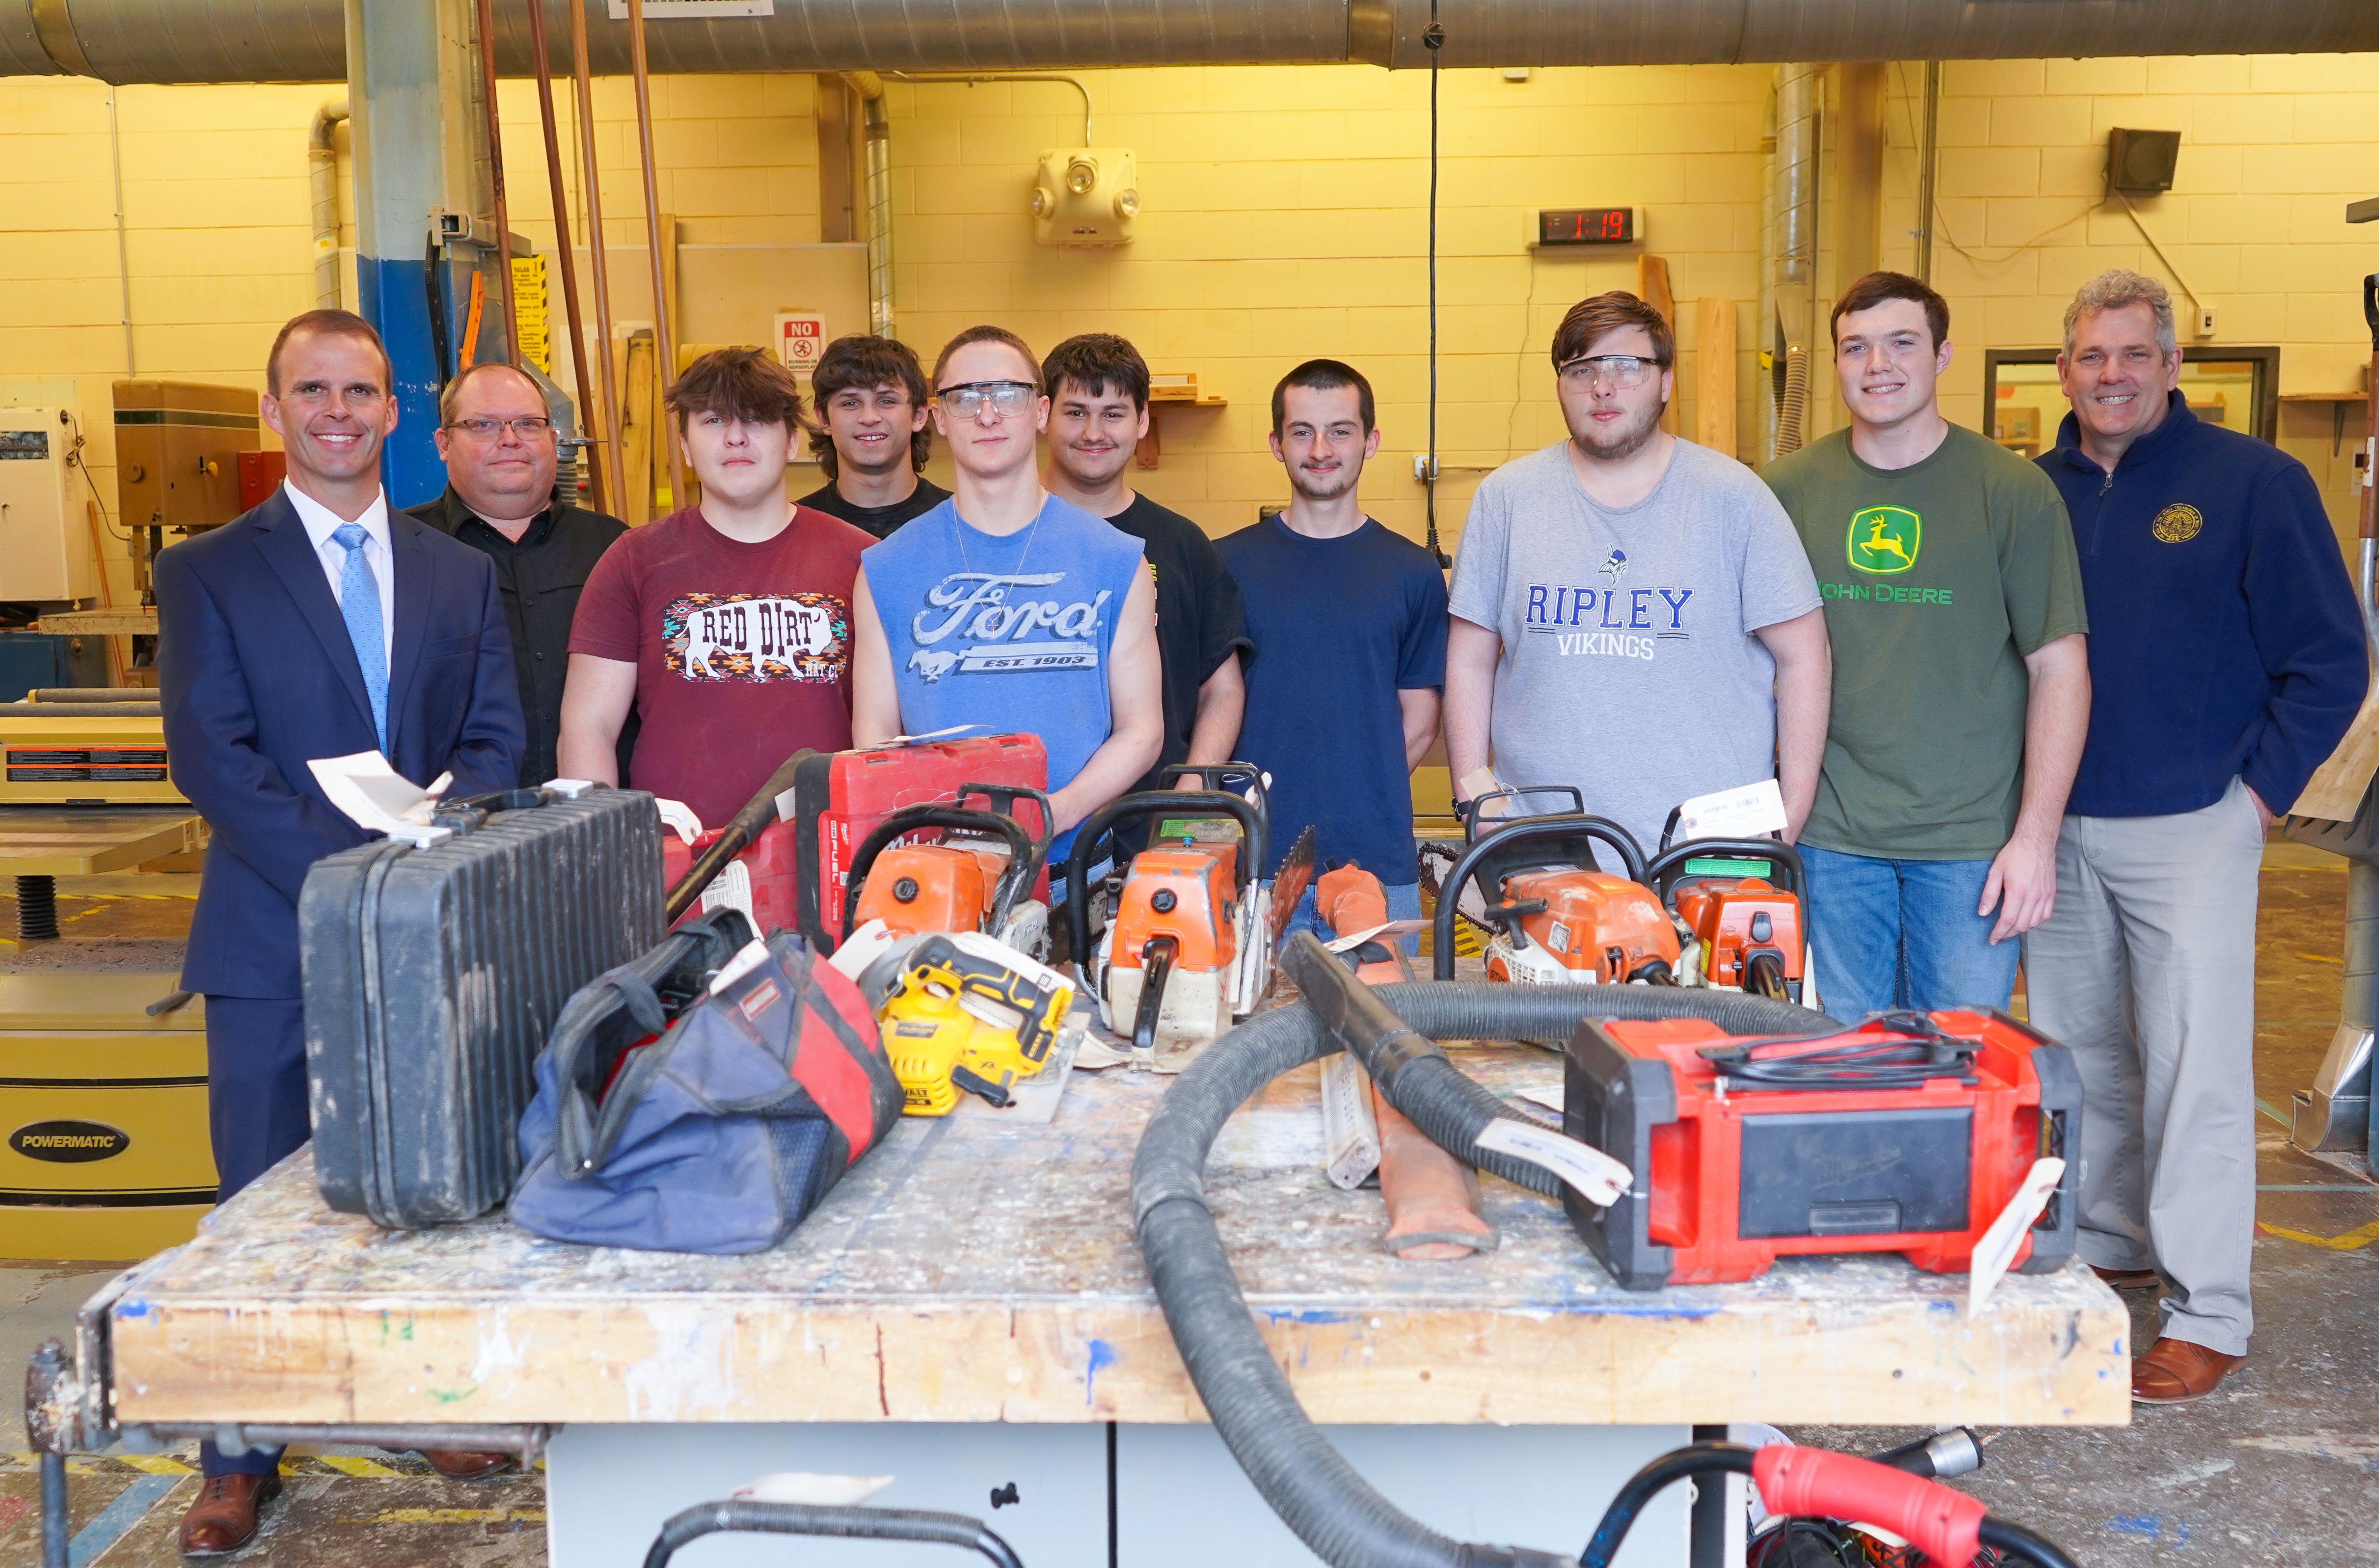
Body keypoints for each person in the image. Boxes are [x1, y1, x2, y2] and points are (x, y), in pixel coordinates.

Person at [155, 309, 525, 1554]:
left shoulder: (457, 571)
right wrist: (346, 878)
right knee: (254, 1200)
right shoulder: (208, 571)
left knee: (422, 1189)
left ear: (393, 413)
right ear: (275, 411)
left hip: (422, 937)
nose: (336, 411)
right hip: (271, 937)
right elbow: (213, 756)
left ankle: (423, 1403)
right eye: (310, 389)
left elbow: (492, 740)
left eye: (360, 390)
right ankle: (239, 1452)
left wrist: (428, 848)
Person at [2026, 270, 2366, 1405]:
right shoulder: (2036, 494)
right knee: (2080, 1061)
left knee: (2197, 1072)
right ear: (2062, 368)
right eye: (2090, 356)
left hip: (2192, 826)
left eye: (2133, 354)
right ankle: (2112, 1242)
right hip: (2059, 827)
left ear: (2173, 365)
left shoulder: (2252, 484)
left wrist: (2256, 796)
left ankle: (2207, 1306)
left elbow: (2329, 657)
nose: (2110, 375)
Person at [1764, 271, 2089, 1017]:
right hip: (1830, 836)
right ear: (1837, 363)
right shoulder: (1784, 492)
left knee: (1960, 1064)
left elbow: (2059, 669)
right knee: (1844, 1059)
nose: (1877, 364)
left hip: (1969, 843)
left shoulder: (2010, 491)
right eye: (1855, 347)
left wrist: (2034, 840)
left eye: (1901, 343)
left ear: (1942, 356)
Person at [1446, 293, 1830, 858]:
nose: (1602, 386)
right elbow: (1469, 658)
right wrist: (1476, 798)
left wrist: (1788, 816)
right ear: (1560, 385)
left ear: (1666, 381)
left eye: (1626, 366)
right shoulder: (1507, 500)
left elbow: (1806, 655)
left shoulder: (1735, 499)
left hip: (1705, 852)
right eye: (1581, 369)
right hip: (1545, 850)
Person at [849, 324, 1162, 864]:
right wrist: (938, 833)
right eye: (965, 397)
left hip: (1075, 871)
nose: (987, 414)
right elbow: (875, 740)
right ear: (940, 418)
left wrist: (1056, 812)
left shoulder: (1116, 559)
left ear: (1040, 412)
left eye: (1007, 394)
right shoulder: (885, 568)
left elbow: (1142, 729)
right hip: (940, 872)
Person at [559, 347, 871, 831]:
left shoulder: (861, 561)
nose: (736, 437)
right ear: (684, 446)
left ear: (792, 441)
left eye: (757, 419)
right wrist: (606, 852)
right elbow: (588, 727)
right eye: (712, 420)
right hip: (680, 867)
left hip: (827, 857)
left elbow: (890, 734)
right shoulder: (633, 561)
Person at [1218, 359, 1447, 949]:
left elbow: (1419, 722)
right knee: (1248, 1035)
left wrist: (1358, 792)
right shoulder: (1225, 566)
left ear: (1370, 441)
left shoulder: (1413, 572)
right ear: (1276, 443)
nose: (1321, 449)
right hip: (1253, 869)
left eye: (1340, 430)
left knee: (1383, 1030)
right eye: (1302, 431)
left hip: (1376, 867)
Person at [1040, 331, 1252, 805]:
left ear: (1142, 422)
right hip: (1033, 817)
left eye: (1113, 414)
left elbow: (1222, 689)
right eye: (1076, 413)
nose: (1094, 433)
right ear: (1043, 416)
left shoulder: (1182, 544)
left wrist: (1192, 789)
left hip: (1150, 822)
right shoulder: (1007, 538)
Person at [406, 360, 628, 786]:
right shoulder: (400, 552)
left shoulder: (617, 548)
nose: (510, 440)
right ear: (443, 443)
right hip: (457, 827)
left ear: (552, 437)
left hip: (603, 818)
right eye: (484, 425)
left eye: (528, 424)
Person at [797, 333, 951, 539]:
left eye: (887, 401)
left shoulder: (958, 525)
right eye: (850, 403)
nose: (869, 418)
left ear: (919, 415)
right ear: (823, 419)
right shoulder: (797, 530)